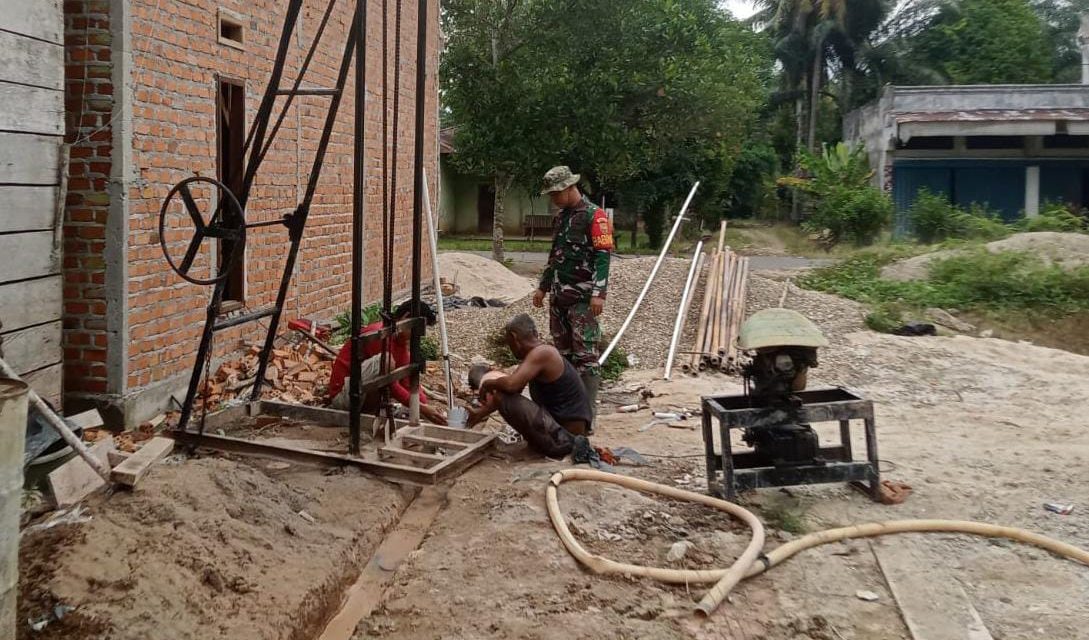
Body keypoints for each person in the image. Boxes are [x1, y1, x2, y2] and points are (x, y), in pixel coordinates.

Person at [534, 166, 612, 423]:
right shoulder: (561, 218)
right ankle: (565, 413)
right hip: (559, 297)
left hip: (582, 299)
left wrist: (599, 293)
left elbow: (603, 256)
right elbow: (555, 255)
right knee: (562, 355)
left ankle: (586, 417)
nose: (554, 199)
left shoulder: (595, 216)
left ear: (570, 187)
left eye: (556, 193)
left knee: (586, 357)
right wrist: (543, 287)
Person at [465, 314, 592, 457]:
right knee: (504, 393)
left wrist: (489, 383)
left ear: (514, 338)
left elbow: (511, 385)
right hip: (564, 434)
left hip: (566, 439)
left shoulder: (543, 353)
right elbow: (514, 390)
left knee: (502, 394)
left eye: (509, 343)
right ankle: (538, 444)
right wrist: (480, 414)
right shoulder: (538, 354)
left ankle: (542, 447)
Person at [327, 301, 446, 425]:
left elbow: (408, 382)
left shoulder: (400, 343)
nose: (419, 335)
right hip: (344, 397)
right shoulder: (380, 335)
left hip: (362, 397)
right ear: (406, 318)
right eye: (417, 329)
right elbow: (391, 385)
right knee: (385, 361)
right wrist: (421, 408)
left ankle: (372, 412)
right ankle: (370, 413)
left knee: (398, 372)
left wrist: (425, 406)